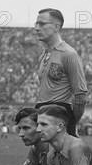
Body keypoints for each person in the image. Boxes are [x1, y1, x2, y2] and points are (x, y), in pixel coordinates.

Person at [34, 8, 87, 136]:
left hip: (58, 116)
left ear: (56, 27)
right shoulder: (43, 55)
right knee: (41, 155)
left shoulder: (69, 54)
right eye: (36, 24)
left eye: (41, 24)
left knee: (59, 155)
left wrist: (71, 122)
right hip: (41, 114)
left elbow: (80, 95)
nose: (36, 28)